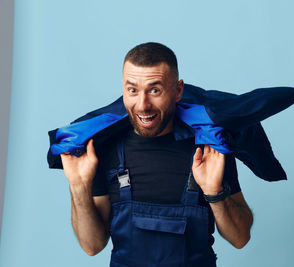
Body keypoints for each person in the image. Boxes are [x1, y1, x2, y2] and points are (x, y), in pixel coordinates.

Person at [60, 42, 253, 267]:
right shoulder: (104, 149)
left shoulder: (208, 149)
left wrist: (214, 193)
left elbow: (240, 238)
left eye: (155, 90)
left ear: (178, 90)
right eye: (132, 90)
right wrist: (78, 186)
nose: (143, 105)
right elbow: (92, 246)